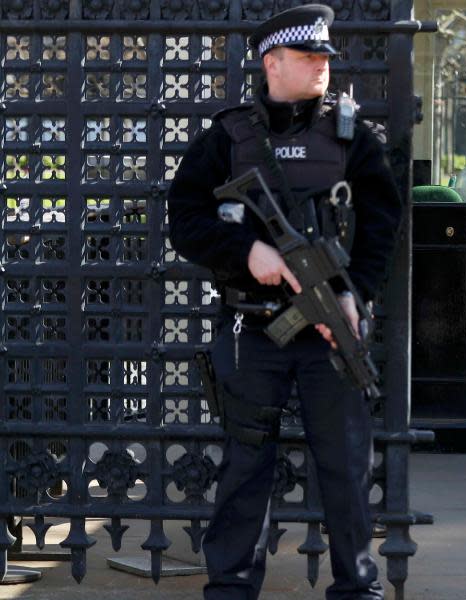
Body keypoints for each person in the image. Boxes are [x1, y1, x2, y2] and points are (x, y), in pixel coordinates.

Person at [166, 5, 402, 599]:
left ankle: (357, 588)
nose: (322, 66)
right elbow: (185, 220)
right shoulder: (227, 137)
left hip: (330, 330)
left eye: (326, 57)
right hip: (252, 330)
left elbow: (381, 222)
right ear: (272, 63)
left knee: (346, 469)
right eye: (308, 57)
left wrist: (354, 296)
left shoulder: (351, 134)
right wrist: (246, 253)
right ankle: (231, 588)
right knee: (246, 466)